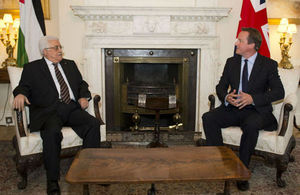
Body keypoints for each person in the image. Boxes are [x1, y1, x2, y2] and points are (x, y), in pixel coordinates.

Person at [13, 36, 101, 195]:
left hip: (71, 108)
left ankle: (88, 171)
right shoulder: (32, 68)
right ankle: (52, 180)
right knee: (52, 133)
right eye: (56, 47)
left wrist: (83, 96)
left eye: (60, 47)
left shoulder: (69, 64)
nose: (60, 50)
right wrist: (19, 95)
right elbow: (23, 87)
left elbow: (81, 84)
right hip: (49, 111)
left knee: (93, 124)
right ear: (45, 51)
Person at [202, 27, 284, 191]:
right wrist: (226, 97)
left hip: (256, 111)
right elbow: (221, 87)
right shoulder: (231, 62)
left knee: (251, 125)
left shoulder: (268, 65)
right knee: (208, 117)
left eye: (240, 40)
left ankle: (241, 171)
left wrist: (253, 99)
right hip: (234, 109)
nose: (236, 43)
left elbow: (279, 92)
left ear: (252, 45)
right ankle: (223, 163)